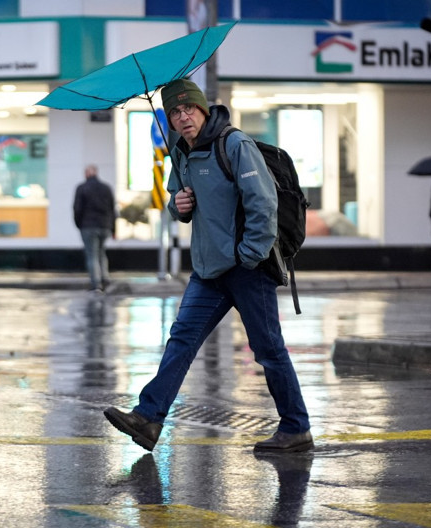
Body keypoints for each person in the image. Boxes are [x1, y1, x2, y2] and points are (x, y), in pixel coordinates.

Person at [103, 79, 313, 454]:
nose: (183, 117)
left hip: (247, 268)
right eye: (175, 112)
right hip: (208, 270)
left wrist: (249, 254)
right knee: (181, 339)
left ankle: (296, 428)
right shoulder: (181, 153)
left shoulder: (234, 144)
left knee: (268, 350)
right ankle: (148, 418)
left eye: (189, 108)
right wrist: (179, 205)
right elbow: (177, 200)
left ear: (202, 108)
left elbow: (263, 203)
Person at [73, 164, 116, 292]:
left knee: (92, 254)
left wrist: (79, 224)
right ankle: (105, 278)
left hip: (88, 226)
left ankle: (96, 283)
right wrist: (113, 228)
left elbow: (77, 209)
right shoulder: (106, 188)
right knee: (101, 252)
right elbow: (112, 209)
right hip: (105, 226)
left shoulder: (82, 188)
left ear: (87, 173)